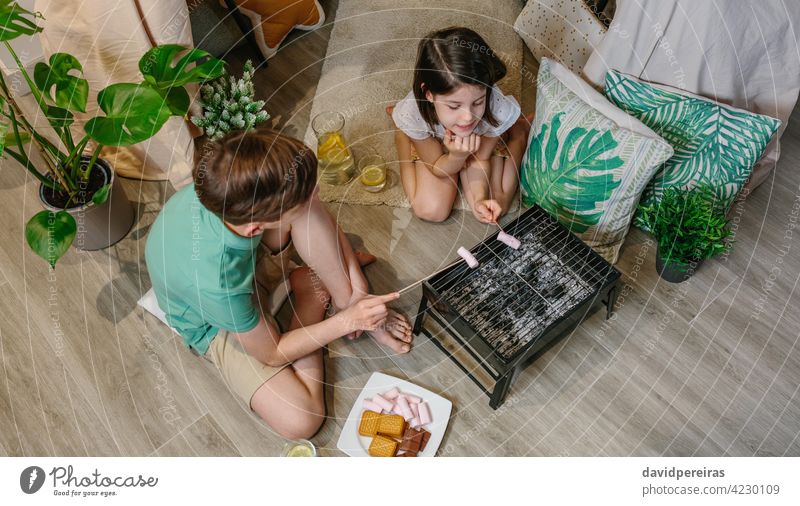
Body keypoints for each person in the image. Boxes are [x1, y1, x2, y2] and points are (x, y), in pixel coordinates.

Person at [145, 129, 412, 439]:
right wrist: (347, 322)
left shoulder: (227, 183)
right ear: (255, 227)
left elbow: (312, 206)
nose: (318, 194)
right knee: (303, 420)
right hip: (217, 323)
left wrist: (357, 294)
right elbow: (271, 353)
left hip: (246, 261)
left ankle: (340, 296)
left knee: (305, 199)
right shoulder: (216, 283)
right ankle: (311, 298)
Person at [390, 26, 530, 224]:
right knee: (430, 210)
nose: (468, 118)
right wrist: (457, 156)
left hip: (479, 142)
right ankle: (402, 135)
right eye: (454, 106)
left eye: (478, 102)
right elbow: (438, 167)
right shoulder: (415, 113)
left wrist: (480, 198)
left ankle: (519, 133)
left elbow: (480, 158)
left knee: (495, 207)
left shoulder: (495, 108)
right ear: (429, 94)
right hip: (435, 140)